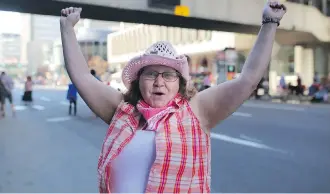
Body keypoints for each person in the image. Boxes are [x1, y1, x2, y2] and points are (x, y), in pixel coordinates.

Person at [60, 1, 286, 193]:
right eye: (151, 74)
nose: (159, 82)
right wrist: (67, 29)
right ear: (139, 81)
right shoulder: (122, 111)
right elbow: (82, 77)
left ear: (179, 82)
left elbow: (247, 81)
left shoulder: (197, 112)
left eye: (168, 75)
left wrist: (269, 24)